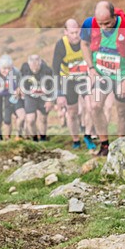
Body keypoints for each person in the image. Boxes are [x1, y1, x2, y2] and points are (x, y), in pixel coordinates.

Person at [80, 1, 125, 157]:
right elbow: (84, 44)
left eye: (107, 23)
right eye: (100, 24)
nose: (104, 27)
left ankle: (122, 144)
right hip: (102, 74)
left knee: (122, 110)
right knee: (95, 106)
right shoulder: (89, 24)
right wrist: (91, 68)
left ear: (114, 16)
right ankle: (105, 146)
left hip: (123, 75)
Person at [51, 18, 95, 150]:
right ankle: (76, 140)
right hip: (68, 80)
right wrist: (59, 93)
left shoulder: (85, 41)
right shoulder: (61, 45)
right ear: (65, 32)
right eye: (72, 33)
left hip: (83, 78)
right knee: (72, 112)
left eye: (77, 32)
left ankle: (87, 135)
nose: (75, 36)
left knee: (91, 106)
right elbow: (55, 70)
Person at [19, 54, 55, 141]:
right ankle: (34, 138)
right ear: (29, 64)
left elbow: (53, 86)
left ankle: (43, 138)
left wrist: (49, 100)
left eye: (36, 64)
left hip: (43, 96)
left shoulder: (47, 70)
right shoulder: (25, 69)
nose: (34, 67)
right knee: (30, 119)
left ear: (40, 63)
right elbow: (19, 79)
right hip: (30, 96)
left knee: (43, 118)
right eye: (32, 64)